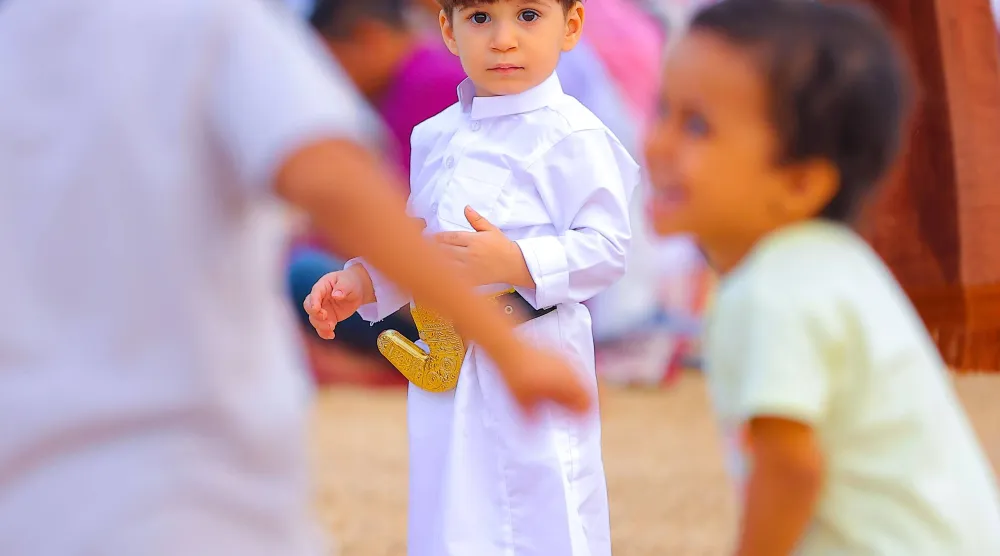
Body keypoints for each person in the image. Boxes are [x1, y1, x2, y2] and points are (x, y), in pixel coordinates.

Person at [0, 1, 590, 554]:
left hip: (27, 482)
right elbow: (335, 182)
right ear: (446, 27)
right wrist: (497, 340)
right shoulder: (211, 24)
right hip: (189, 484)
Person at [643, 1, 1000, 554]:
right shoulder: (832, 261)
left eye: (696, 126)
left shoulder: (770, 292)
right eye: (661, 109)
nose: (657, 143)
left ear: (801, 183)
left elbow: (790, 467)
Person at [305, 0, 639, 554]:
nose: (503, 39)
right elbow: (421, 241)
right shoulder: (435, 135)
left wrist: (516, 262)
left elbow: (607, 248)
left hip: (533, 341)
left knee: (542, 498)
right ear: (448, 30)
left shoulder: (574, 134)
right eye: (480, 18)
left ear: (572, 25)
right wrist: (365, 282)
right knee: (452, 499)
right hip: (445, 354)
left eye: (528, 16)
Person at [286, 0, 469, 384]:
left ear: (368, 38)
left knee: (300, 271)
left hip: (456, 293)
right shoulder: (402, 84)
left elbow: (391, 216)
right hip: (428, 281)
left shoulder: (429, 83)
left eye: (332, 63)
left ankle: (383, 368)